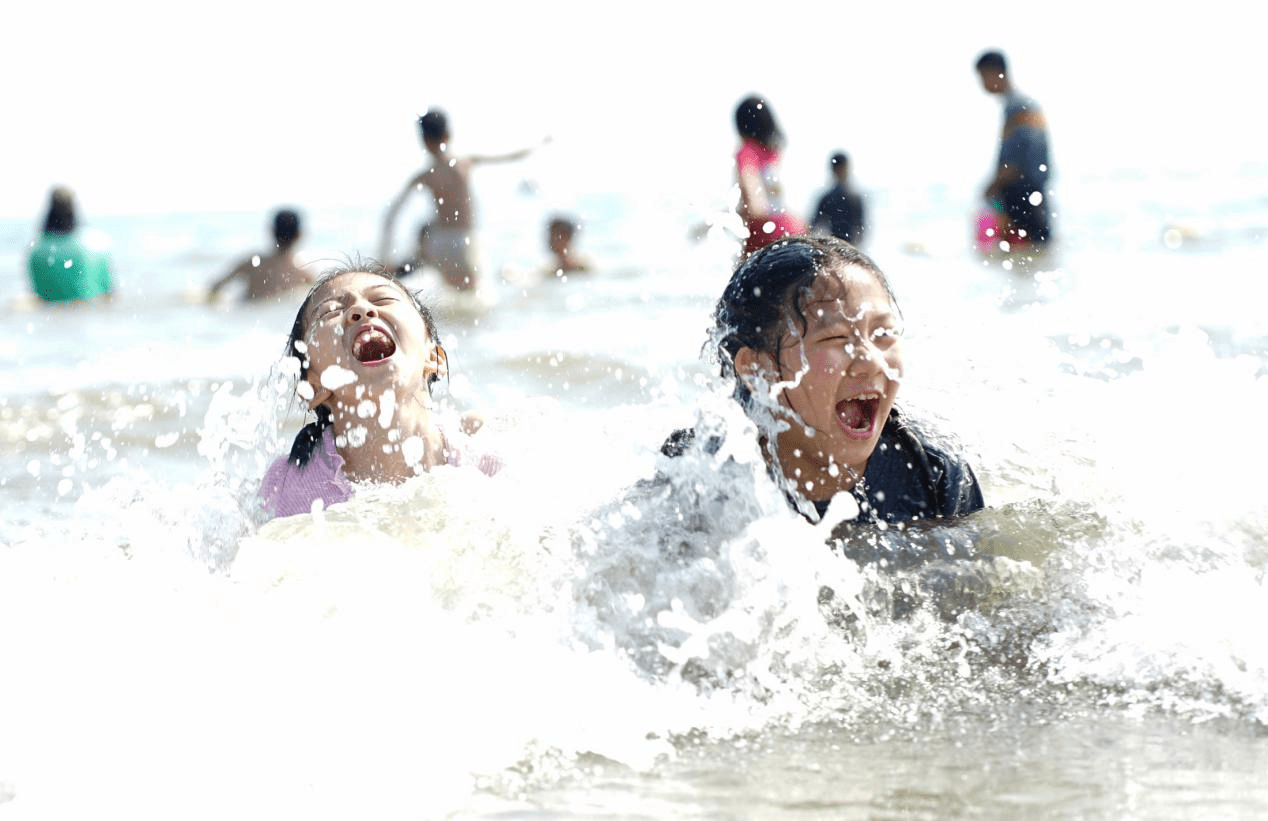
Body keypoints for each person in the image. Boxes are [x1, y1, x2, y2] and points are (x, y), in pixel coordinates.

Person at [665, 235, 984, 526]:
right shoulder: (699, 470)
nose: (872, 362)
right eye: (836, 338)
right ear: (757, 370)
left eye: (883, 334)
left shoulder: (933, 474)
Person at [258, 261, 501, 519]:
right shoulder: (288, 485)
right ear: (313, 387)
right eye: (330, 311)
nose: (361, 310)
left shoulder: (484, 456)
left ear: (434, 356)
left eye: (383, 299)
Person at [379, 108, 543, 292]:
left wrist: (384, 253)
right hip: (463, 241)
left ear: (423, 141)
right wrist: (538, 144)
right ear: (448, 136)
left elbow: (393, 212)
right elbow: (509, 156)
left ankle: (388, 274)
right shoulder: (464, 163)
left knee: (436, 281)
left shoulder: (425, 176)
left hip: (437, 242)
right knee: (471, 294)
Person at [975, 50, 1052, 247]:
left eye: (983, 76)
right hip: (1035, 194)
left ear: (994, 73)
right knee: (1035, 258)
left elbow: (1014, 162)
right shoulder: (1022, 105)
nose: (982, 83)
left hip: (1022, 197)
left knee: (1026, 255)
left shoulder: (1017, 108)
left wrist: (991, 188)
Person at [733, 95, 805, 256]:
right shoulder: (777, 153)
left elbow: (754, 205)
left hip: (766, 234)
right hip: (795, 229)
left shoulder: (746, 152)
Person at [27, 187, 114, 303]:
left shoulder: (37, 251)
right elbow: (110, 293)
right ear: (74, 210)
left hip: (51, 316)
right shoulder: (94, 246)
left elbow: (38, 296)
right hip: (90, 313)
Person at [208, 208, 315, 302]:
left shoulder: (252, 263)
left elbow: (215, 288)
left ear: (272, 231)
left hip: (244, 314)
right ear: (298, 235)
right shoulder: (303, 275)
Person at [809, 152, 866, 246]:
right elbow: (861, 231)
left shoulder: (828, 197)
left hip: (835, 249)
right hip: (844, 249)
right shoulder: (854, 197)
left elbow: (812, 227)